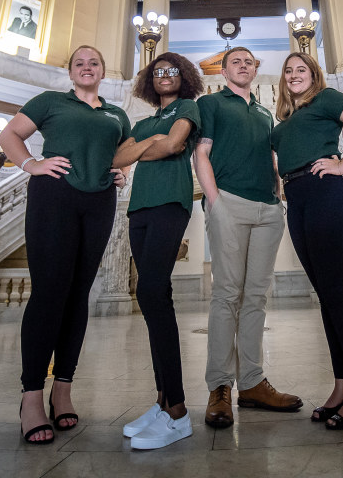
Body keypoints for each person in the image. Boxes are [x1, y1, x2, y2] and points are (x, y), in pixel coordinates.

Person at [0, 45, 130, 445]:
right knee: (49, 294)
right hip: (54, 197)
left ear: (103, 70)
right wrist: (31, 164)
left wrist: (122, 171)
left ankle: (64, 389)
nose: (87, 67)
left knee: (78, 295)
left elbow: (124, 152)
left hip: (99, 202)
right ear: (70, 72)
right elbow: (10, 134)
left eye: (94, 62)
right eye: (79, 63)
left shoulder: (117, 114)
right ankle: (32, 397)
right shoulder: (50, 102)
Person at [271, 52, 343, 430]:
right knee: (326, 294)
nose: (294, 75)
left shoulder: (327, 98)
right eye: (288, 71)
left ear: (314, 74)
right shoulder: (285, 119)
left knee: (338, 291)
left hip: (327, 189)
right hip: (298, 195)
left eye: (301, 69)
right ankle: (342, 385)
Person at [193, 46, 303, 428]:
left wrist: (278, 196)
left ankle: (253, 382)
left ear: (255, 69)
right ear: (224, 71)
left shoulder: (263, 112)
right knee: (227, 294)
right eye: (235, 61)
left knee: (256, 296)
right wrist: (215, 202)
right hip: (230, 203)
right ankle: (220, 387)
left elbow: (269, 158)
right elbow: (201, 153)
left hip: (268, 210)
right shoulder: (211, 105)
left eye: (248, 61)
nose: (243, 66)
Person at [111, 52, 203, 450]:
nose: (165, 75)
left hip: (171, 203)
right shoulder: (144, 122)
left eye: (172, 70)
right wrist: (152, 140)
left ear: (183, 77)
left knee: (151, 291)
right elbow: (117, 158)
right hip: (140, 209)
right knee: (152, 297)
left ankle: (179, 411)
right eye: (158, 71)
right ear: (151, 79)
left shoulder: (189, 107)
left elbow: (174, 145)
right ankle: (164, 401)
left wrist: (150, 147)